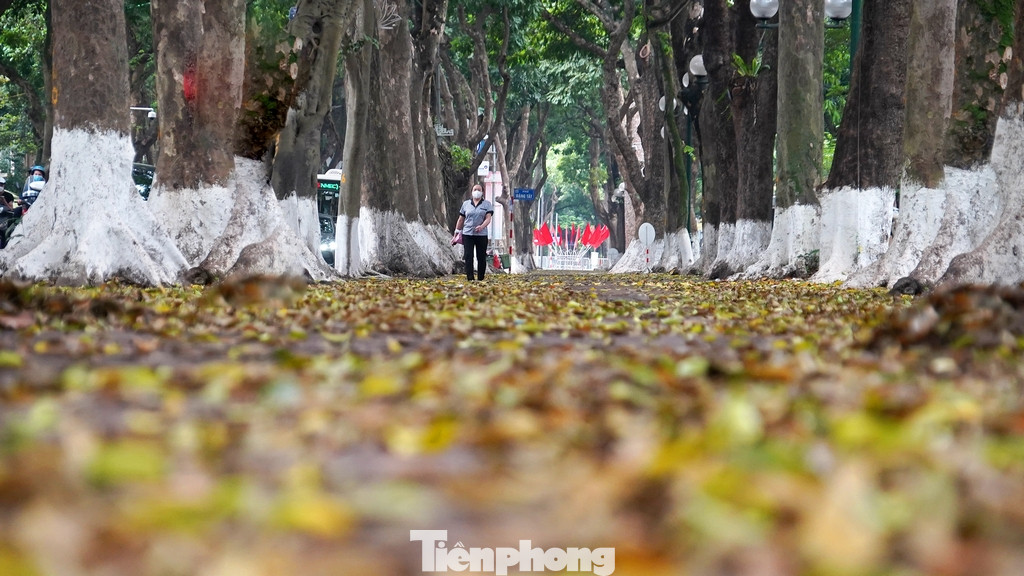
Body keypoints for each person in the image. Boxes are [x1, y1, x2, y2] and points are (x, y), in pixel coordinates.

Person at [453, 184, 493, 281]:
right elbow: (461, 220)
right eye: (475, 189)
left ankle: (480, 278)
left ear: (482, 192)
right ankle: (470, 278)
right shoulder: (466, 204)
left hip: (481, 235)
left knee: (481, 257)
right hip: (468, 234)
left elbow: (488, 219)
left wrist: (482, 226)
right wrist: (456, 234)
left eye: (479, 190)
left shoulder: (487, 204)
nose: (477, 191)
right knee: (468, 256)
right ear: (471, 192)